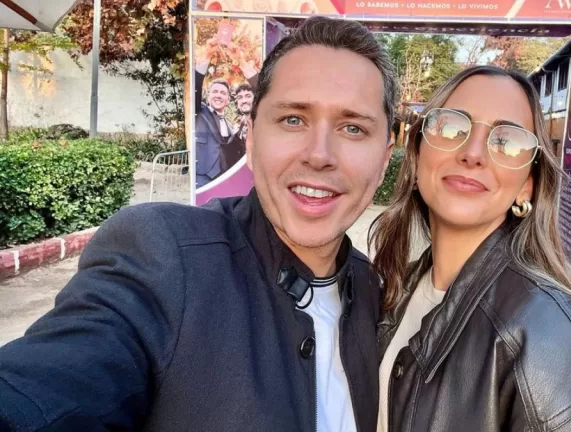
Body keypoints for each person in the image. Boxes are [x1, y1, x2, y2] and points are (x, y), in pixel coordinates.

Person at [0, 16, 396, 431]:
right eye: (293, 120)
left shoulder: (374, 293)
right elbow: (56, 381)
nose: (319, 155)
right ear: (251, 137)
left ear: (385, 158)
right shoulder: (164, 258)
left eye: (353, 128)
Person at [369, 66, 571, 432]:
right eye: (452, 125)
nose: (473, 153)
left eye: (508, 140)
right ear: (418, 154)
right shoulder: (397, 288)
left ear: (526, 187)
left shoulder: (554, 338)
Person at [194, 36, 260, 187]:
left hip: (225, 181)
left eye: (223, 93)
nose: (218, 95)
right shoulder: (200, 112)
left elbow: (263, 95)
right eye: (215, 92)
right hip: (203, 180)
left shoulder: (232, 127)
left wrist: (241, 61)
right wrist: (207, 55)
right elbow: (195, 87)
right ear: (207, 96)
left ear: (228, 99)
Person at [221, 81, 256, 172]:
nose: (244, 101)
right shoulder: (242, 124)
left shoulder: (262, 122)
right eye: (240, 97)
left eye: (248, 96)